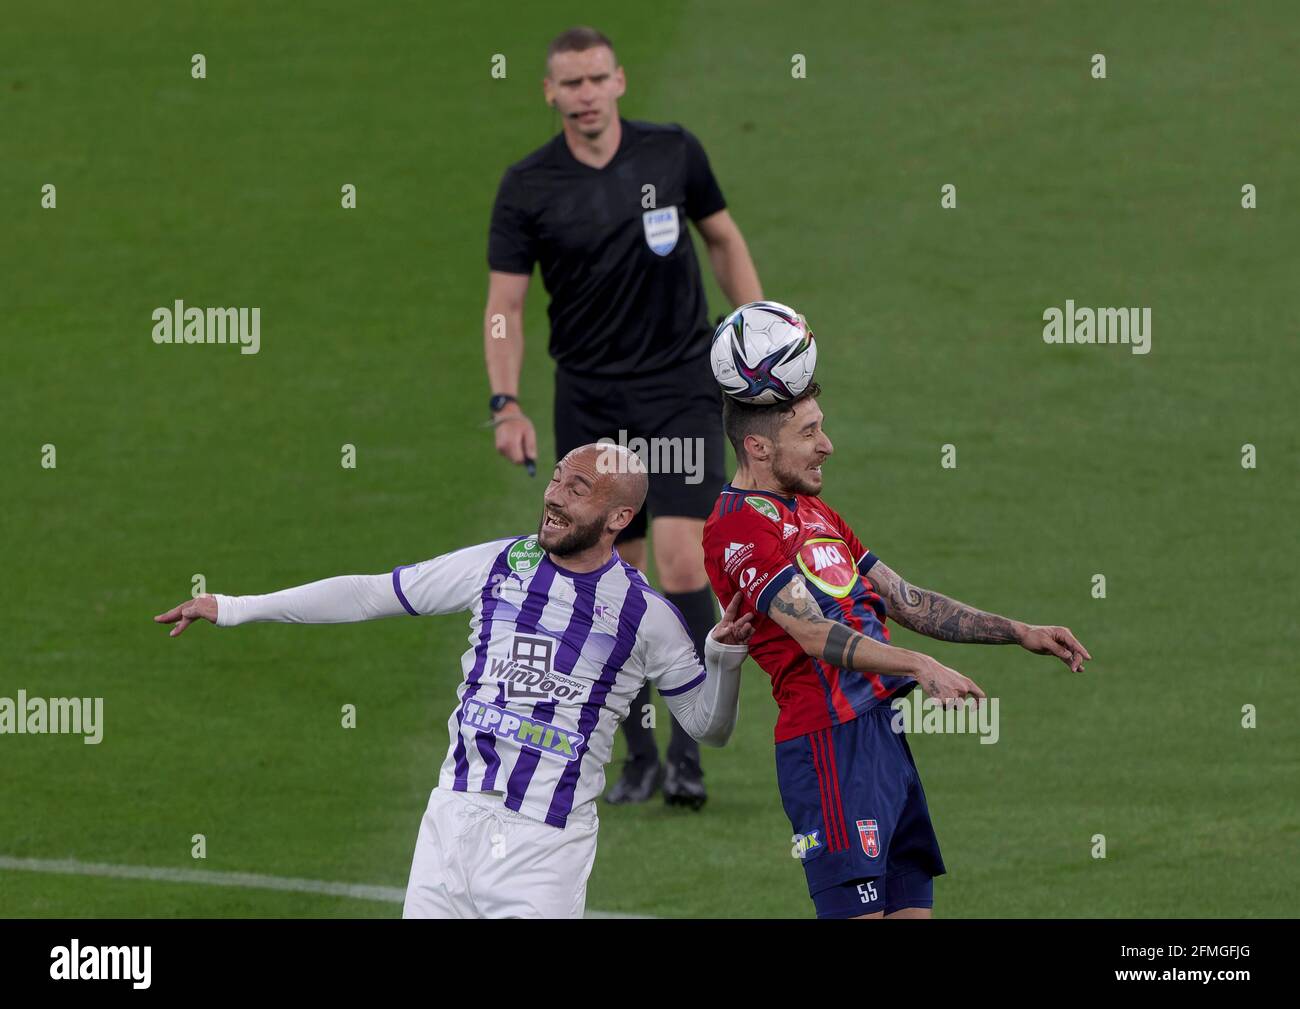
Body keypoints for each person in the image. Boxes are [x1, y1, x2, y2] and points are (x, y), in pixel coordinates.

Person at [155, 444, 754, 918]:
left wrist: (723, 662)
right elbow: (370, 594)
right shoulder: (499, 563)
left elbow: (709, 728)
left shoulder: (647, 616)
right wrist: (234, 606)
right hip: (451, 820)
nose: (554, 498)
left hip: (545, 849)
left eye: (577, 489)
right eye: (555, 480)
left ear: (619, 517)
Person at [483, 26, 764, 808]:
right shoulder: (528, 185)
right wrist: (505, 402)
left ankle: (689, 749)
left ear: (620, 81)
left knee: (680, 563)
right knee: (613, 577)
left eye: (597, 79)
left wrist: (760, 338)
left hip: (677, 385)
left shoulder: (672, 152)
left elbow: (724, 240)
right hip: (591, 399)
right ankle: (635, 753)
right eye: (569, 83)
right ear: (550, 92)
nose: (585, 95)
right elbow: (504, 307)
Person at [702, 357, 1091, 919]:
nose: (827, 445)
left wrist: (1019, 632)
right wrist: (917, 666)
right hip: (828, 747)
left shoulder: (814, 512)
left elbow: (905, 599)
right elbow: (812, 632)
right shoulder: (737, 524)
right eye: (808, 433)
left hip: (884, 740)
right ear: (759, 447)